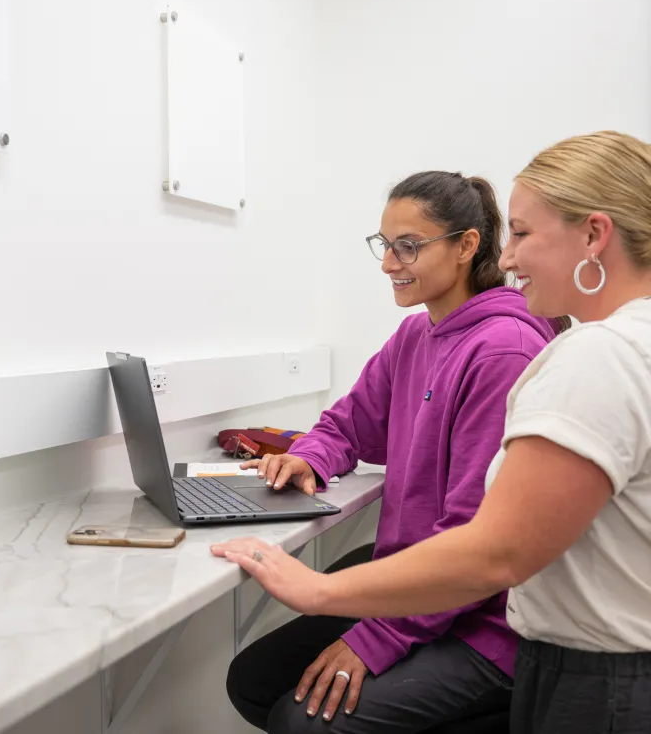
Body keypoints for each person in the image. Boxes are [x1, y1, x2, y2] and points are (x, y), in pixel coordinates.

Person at [213, 131, 651, 734]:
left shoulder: (595, 355)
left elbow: (494, 553)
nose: (508, 259)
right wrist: (629, 535)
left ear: (593, 235)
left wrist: (315, 591)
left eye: (524, 234)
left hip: (627, 687)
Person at [224, 170, 558, 733]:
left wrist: (376, 640)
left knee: (300, 722)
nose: (387, 264)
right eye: (384, 245)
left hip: (485, 622)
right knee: (253, 682)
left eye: (408, 247)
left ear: (466, 246)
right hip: (415, 579)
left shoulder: (503, 350)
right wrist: (311, 456)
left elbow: (471, 543)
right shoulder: (417, 335)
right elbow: (348, 424)